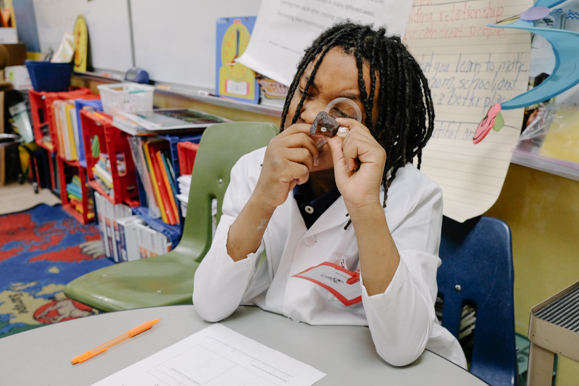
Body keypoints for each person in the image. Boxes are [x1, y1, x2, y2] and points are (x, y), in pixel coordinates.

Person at [193, 22, 467, 368]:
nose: (311, 115)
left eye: (340, 109)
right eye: (306, 92)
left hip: (365, 364)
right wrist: (263, 196)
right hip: (273, 350)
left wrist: (365, 205)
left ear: (382, 129)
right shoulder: (254, 169)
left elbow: (401, 348)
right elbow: (209, 304)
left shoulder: (413, 195)